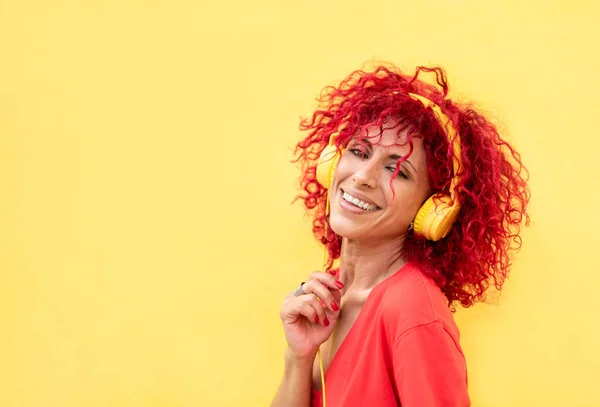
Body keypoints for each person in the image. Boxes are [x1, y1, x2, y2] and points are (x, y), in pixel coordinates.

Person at [270, 63, 530, 407]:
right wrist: (299, 356)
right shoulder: (330, 293)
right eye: (359, 151)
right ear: (331, 162)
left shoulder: (413, 312)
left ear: (433, 208)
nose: (363, 176)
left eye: (397, 169)